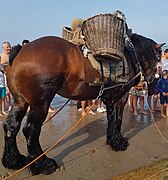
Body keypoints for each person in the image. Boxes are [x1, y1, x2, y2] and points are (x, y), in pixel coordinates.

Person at [0, 41, 12, 111]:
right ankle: (8, 106)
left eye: (9, 46)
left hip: (12, 74)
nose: (9, 48)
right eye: (7, 47)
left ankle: (10, 106)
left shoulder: (12, 54)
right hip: (3, 76)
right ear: (3, 48)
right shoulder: (1, 56)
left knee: (11, 92)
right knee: (6, 93)